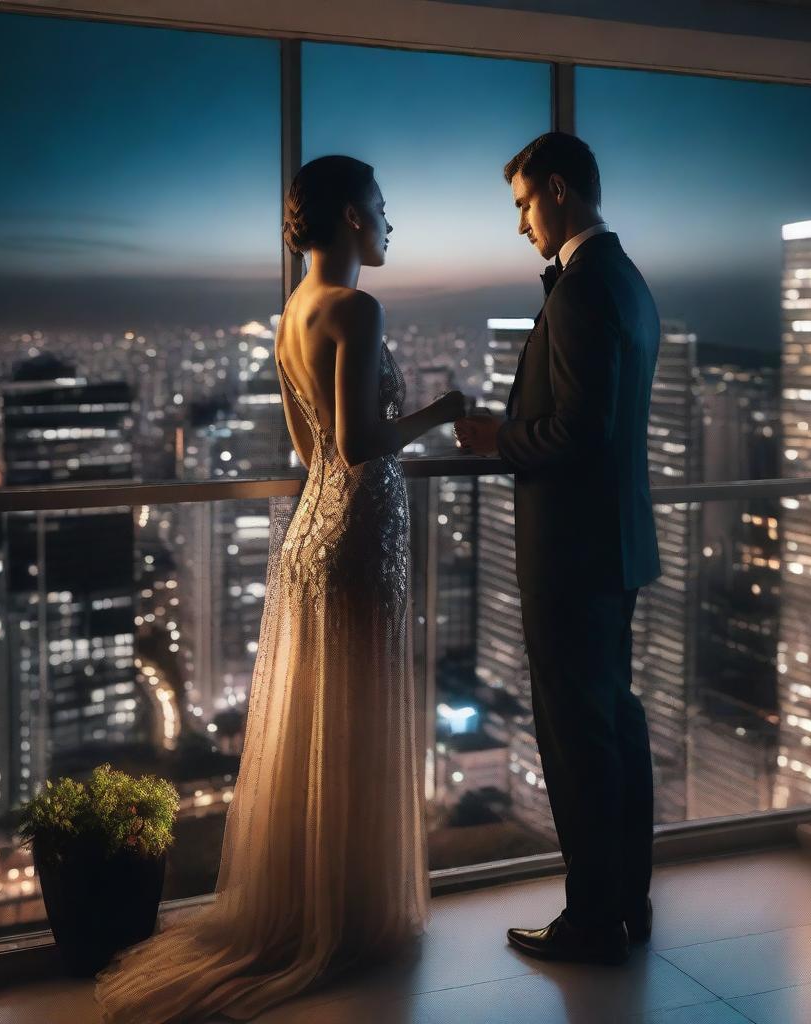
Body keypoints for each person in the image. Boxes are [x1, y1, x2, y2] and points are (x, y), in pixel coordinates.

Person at [93, 155, 467, 1022]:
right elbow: (362, 442)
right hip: (360, 530)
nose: (389, 222)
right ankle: (347, 917)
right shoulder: (357, 308)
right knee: (355, 718)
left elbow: (310, 455)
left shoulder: (292, 314)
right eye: (380, 207)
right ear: (348, 215)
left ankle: (313, 908)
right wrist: (443, 414)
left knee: (319, 720)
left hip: (311, 534)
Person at [454, 131, 661, 966]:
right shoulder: (630, 281)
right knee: (616, 725)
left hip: (572, 556)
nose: (519, 225)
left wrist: (496, 439)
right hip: (615, 547)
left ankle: (590, 919)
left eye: (522, 204)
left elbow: (578, 431)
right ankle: (626, 897)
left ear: (558, 190)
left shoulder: (581, 290)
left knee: (577, 740)